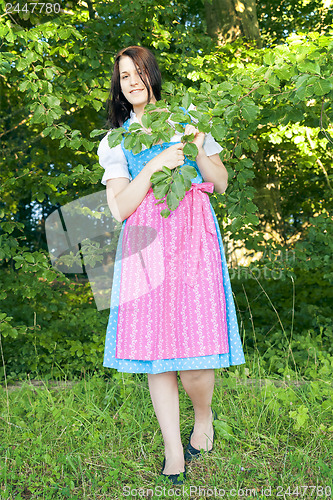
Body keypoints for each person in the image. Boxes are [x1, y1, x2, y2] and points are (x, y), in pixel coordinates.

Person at [97, 45, 245, 485]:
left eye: (138, 72)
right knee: (156, 355)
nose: (133, 81)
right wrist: (157, 163)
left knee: (196, 361)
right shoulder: (115, 140)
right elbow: (120, 207)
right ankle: (173, 450)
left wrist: (197, 147)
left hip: (193, 238)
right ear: (119, 87)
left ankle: (203, 416)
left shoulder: (187, 117)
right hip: (145, 244)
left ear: (152, 75)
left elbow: (217, 181)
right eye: (124, 76)